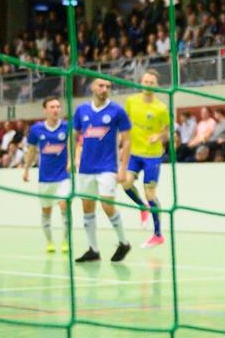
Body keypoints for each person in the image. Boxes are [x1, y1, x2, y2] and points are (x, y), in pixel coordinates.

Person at [71, 78, 133, 263]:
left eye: (108, 86)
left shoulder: (117, 111)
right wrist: (73, 157)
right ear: (92, 87)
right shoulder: (81, 110)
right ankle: (93, 250)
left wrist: (123, 168)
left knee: (107, 205)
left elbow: (127, 140)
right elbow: (73, 136)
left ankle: (124, 242)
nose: (104, 89)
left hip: (107, 166)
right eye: (101, 86)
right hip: (85, 168)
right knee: (87, 207)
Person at [122, 70, 170, 249]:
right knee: (126, 183)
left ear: (156, 85)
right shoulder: (131, 101)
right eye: (146, 81)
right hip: (134, 152)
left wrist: (158, 136)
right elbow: (125, 123)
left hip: (152, 156)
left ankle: (158, 235)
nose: (148, 84)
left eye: (151, 82)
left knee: (151, 193)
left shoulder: (161, 108)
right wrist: (123, 144)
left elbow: (167, 130)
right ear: (140, 83)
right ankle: (142, 207)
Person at [22, 96, 71, 254]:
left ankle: (65, 241)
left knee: (64, 206)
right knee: (46, 211)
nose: (56, 110)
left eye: (58, 107)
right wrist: (26, 169)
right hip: (45, 178)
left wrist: (72, 161)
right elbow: (31, 150)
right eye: (52, 107)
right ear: (45, 109)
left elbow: (74, 145)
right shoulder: (36, 129)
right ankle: (50, 242)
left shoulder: (67, 127)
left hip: (63, 176)